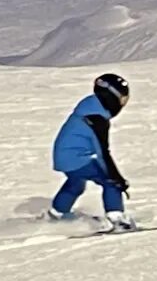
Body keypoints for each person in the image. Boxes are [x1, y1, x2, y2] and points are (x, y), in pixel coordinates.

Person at [49, 73, 133, 228]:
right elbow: (102, 152)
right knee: (110, 183)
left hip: (63, 155)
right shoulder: (96, 119)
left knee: (76, 183)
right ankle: (117, 219)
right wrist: (117, 178)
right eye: (122, 100)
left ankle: (57, 213)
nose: (122, 105)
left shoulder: (91, 108)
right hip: (76, 157)